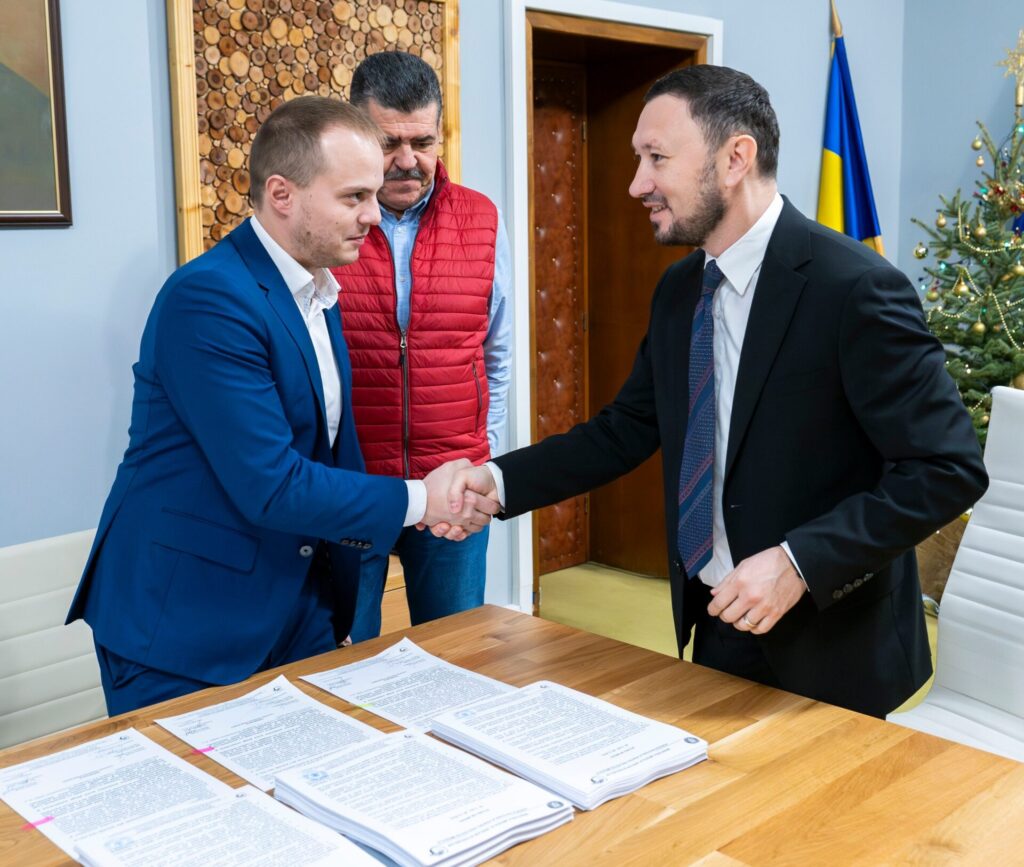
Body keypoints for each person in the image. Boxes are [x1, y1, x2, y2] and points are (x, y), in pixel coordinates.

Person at [445, 65, 988, 718]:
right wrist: (498, 482)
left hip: (836, 642)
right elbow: (625, 429)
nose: (637, 183)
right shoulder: (679, 290)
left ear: (736, 158)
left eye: (656, 158)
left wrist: (798, 562)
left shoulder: (856, 289)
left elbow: (947, 469)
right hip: (718, 623)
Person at [66, 97, 496, 716]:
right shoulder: (208, 298)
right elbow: (271, 484)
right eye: (354, 197)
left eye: (373, 194)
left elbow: (331, 450)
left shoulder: (318, 289)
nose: (373, 215)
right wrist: (423, 500)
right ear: (282, 194)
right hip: (185, 623)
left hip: (293, 608)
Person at [332, 51, 512, 641]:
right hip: (354, 486)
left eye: (423, 142)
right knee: (345, 660)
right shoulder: (329, 226)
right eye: (389, 143)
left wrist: (483, 458)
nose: (408, 160)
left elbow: (497, 354)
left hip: (454, 485)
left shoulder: (482, 219)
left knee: (455, 653)